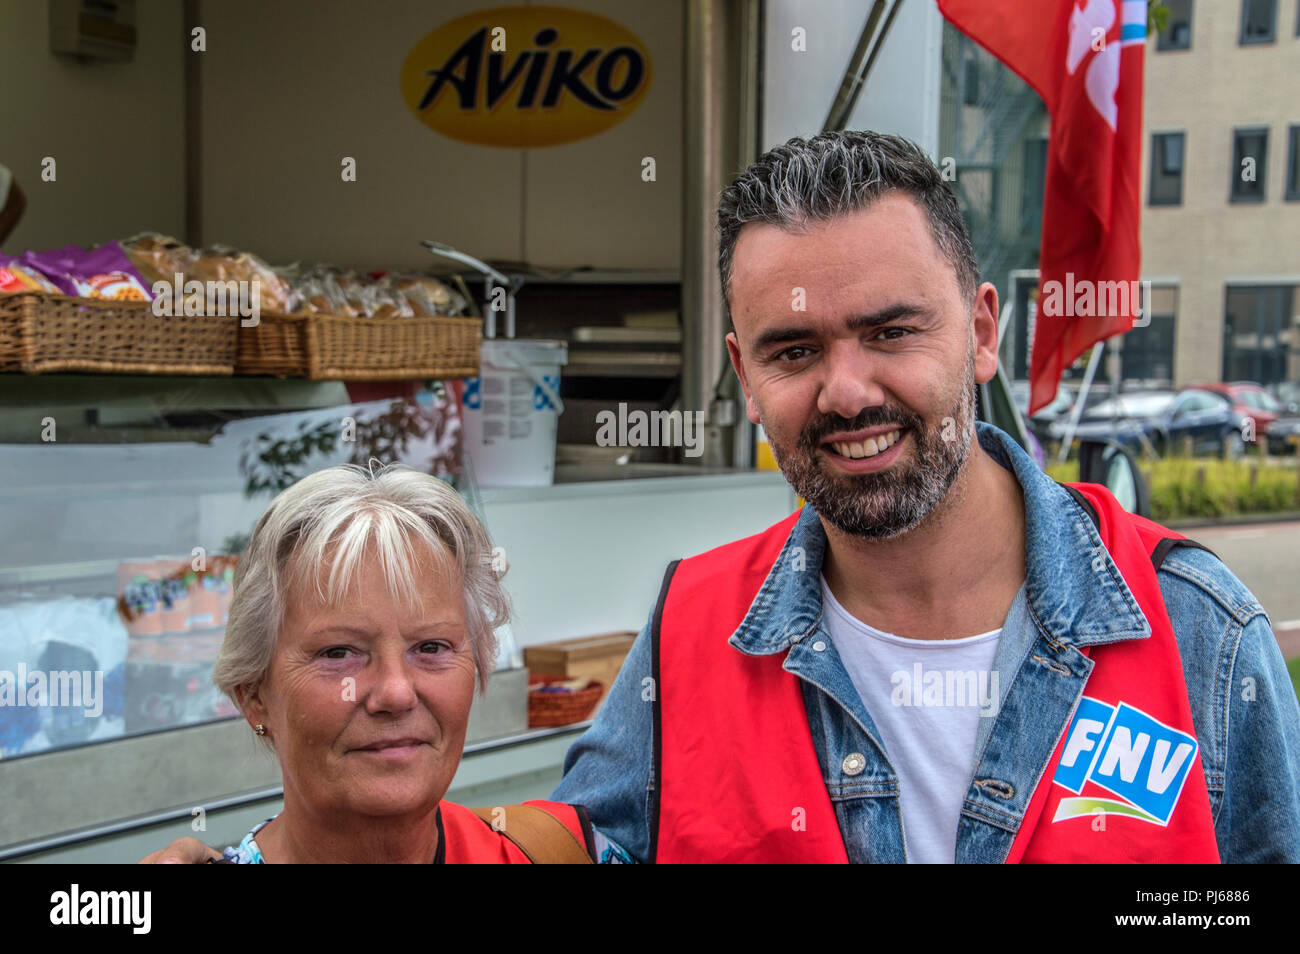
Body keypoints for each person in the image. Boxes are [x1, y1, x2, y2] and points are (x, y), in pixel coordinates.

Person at [549, 130, 1300, 862]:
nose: (845, 394)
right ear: (746, 377)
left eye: (890, 333)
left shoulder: (1202, 633)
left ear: (980, 334)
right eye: (795, 351)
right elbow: (582, 846)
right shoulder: (691, 625)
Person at [143, 463, 614, 863]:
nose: (395, 692)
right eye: (338, 653)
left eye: (431, 647)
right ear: (253, 694)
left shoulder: (562, 851)